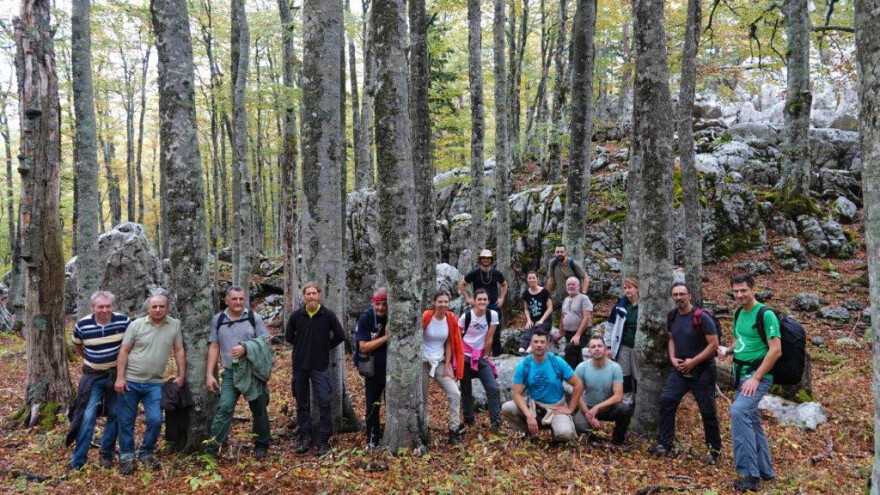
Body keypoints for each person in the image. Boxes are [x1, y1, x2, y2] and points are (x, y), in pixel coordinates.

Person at [648, 283, 721, 464]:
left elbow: (714, 345)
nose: (679, 298)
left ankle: (714, 450)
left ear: (689, 295)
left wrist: (693, 362)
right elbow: (671, 338)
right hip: (679, 370)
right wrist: (673, 358)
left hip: (702, 370)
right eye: (675, 295)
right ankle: (664, 444)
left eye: (682, 294)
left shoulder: (701, 318)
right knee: (666, 400)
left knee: (707, 410)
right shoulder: (672, 316)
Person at [115, 294, 185, 474]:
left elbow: (178, 349)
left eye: (162, 306)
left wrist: (181, 374)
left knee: (155, 419)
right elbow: (124, 350)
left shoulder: (174, 325)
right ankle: (127, 456)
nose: (158, 309)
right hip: (130, 380)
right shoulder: (136, 325)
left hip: (154, 383)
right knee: (126, 421)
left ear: (167, 308)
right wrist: (120, 377)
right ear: (148, 308)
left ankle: (146, 451)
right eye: (154, 306)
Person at [205, 286, 273, 460]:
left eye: (241, 299)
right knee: (225, 407)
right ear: (226, 300)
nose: (238, 302)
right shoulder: (218, 319)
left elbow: (266, 340)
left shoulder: (253, 317)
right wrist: (209, 374)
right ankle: (212, 450)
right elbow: (213, 346)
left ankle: (261, 445)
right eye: (234, 299)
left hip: (251, 372)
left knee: (259, 408)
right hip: (230, 372)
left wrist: (246, 348)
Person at [729, 274, 781, 492]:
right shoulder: (738, 313)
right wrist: (730, 350)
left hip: (757, 376)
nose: (740, 295)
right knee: (751, 419)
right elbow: (740, 338)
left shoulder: (766, 314)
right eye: (736, 291)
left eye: (743, 290)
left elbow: (776, 350)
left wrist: (756, 377)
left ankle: (749, 475)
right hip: (740, 374)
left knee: (739, 413)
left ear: (753, 290)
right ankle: (766, 471)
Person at [68, 291, 131, 470]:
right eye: (100, 306)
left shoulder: (124, 321)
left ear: (113, 306)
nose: (104, 310)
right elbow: (78, 345)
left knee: (116, 414)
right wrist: (92, 359)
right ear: (93, 307)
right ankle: (78, 460)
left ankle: (106, 455)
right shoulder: (82, 325)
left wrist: (121, 371)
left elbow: (130, 345)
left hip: (116, 375)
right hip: (93, 376)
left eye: (108, 306)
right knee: (87, 417)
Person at [284, 282, 346, 457]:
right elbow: (289, 336)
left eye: (314, 293)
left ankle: (324, 440)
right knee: (302, 403)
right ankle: (305, 437)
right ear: (304, 296)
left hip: (319, 366)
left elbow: (340, 335)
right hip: (300, 366)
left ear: (319, 295)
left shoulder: (328, 315)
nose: (311, 296)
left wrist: (325, 346)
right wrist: (302, 347)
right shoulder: (297, 316)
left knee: (325, 401)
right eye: (308, 293)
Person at [501, 330, 583, 443]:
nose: (539, 345)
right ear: (531, 344)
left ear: (547, 344)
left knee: (564, 433)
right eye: (535, 342)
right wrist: (529, 415)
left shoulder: (557, 362)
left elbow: (578, 384)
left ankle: (557, 435)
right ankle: (526, 436)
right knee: (507, 408)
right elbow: (517, 394)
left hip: (556, 408)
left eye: (542, 342)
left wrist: (570, 409)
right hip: (533, 406)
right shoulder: (524, 364)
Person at [420, 290, 465, 445]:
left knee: (455, 393)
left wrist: (448, 366)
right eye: (440, 301)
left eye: (446, 302)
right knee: (423, 399)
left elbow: (450, 342)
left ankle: (454, 431)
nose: (443, 305)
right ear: (434, 302)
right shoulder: (426, 316)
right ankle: (422, 430)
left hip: (439, 362)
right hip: (423, 363)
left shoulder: (450, 318)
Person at [573, 336, 632, 445]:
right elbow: (577, 394)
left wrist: (598, 407)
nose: (597, 349)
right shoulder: (582, 367)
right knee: (579, 426)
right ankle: (592, 437)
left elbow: (618, 396)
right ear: (589, 351)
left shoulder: (615, 368)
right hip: (589, 407)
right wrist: (587, 413)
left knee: (625, 409)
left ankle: (618, 440)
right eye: (593, 346)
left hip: (608, 408)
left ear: (605, 349)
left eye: (599, 346)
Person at [458, 289, 502, 430]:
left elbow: (489, 337)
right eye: (479, 299)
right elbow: (457, 338)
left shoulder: (492, 315)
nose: (482, 302)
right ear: (474, 301)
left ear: (488, 301)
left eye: (485, 299)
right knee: (466, 389)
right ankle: (469, 420)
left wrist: (486, 355)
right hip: (465, 355)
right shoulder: (466, 317)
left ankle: (495, 422)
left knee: (492, 388)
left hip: (480, 356)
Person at [355, 289, 390, 449]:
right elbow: (364, 347)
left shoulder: (393, 315)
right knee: (373, 404)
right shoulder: (366, 317)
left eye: (384, 304)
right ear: (372, 303)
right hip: (372, 367)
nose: (381, 308)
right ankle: (372, 438)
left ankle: (387, 433)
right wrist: (385, 338)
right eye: (378, 304)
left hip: (391, 366)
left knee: (391, 402)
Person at [458, 249, 508, 356]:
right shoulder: (475, 273)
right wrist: (468, 298)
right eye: (484, 258)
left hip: (493, 305)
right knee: (477, 330)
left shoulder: (496, 273)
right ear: (480, 260)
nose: (486, 260)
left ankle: (497, 356)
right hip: (478, 307)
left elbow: (504, 285)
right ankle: (477, 355)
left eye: (488, 258)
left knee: (495, 333)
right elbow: (462, 285)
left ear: (491, 260)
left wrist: (502, 298)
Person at [603, 277, 640, 407]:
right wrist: (607, 346)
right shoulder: (621, 305)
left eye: (630, 287)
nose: (627, 290)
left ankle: (638, 401)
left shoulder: (643, 306)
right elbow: (610, 325)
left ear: (637, 289)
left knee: (638, 375)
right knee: (624, 374)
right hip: (622, 345)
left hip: (638, 347)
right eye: (625, 288)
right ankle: (626, 402)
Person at [558, 276, 593, 369]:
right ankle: (580, 375)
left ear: (579, 286)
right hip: (569, 334)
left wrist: (578, 335)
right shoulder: (565, 300)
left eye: (573, 284)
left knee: (569, 349)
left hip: (582, 334)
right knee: (576, 354)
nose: (570, 286)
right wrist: (560, 332)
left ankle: (569, 376)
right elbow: (563, 316)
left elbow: (587, 317)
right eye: (568, 284)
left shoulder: (583, 298)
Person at [545, 245, 588, 314]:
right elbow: (551, 279)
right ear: (555, 253)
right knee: (543, 306)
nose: (559, 254)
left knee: (570, 317)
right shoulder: (553, 263)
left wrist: (583, 293)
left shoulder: (572, 263)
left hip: (573, 298)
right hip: (558, 297)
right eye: (557, 252)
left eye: (562, 252)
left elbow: (585, 277)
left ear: (566, 253)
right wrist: (546, 294)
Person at [518, 271, 553, 355]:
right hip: (533, 319)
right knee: (528, 331)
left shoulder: (544, 291)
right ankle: (521, 349)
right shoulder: (526, 293)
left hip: (545, 320)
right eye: (529, 278)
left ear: (537, 279)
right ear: (527, 280)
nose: (531, 280)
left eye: (533, 278)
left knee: (539, 331)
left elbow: (550, 308)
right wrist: (529, 320)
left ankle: (528, 351)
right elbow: (526, 309)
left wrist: (541, 320)